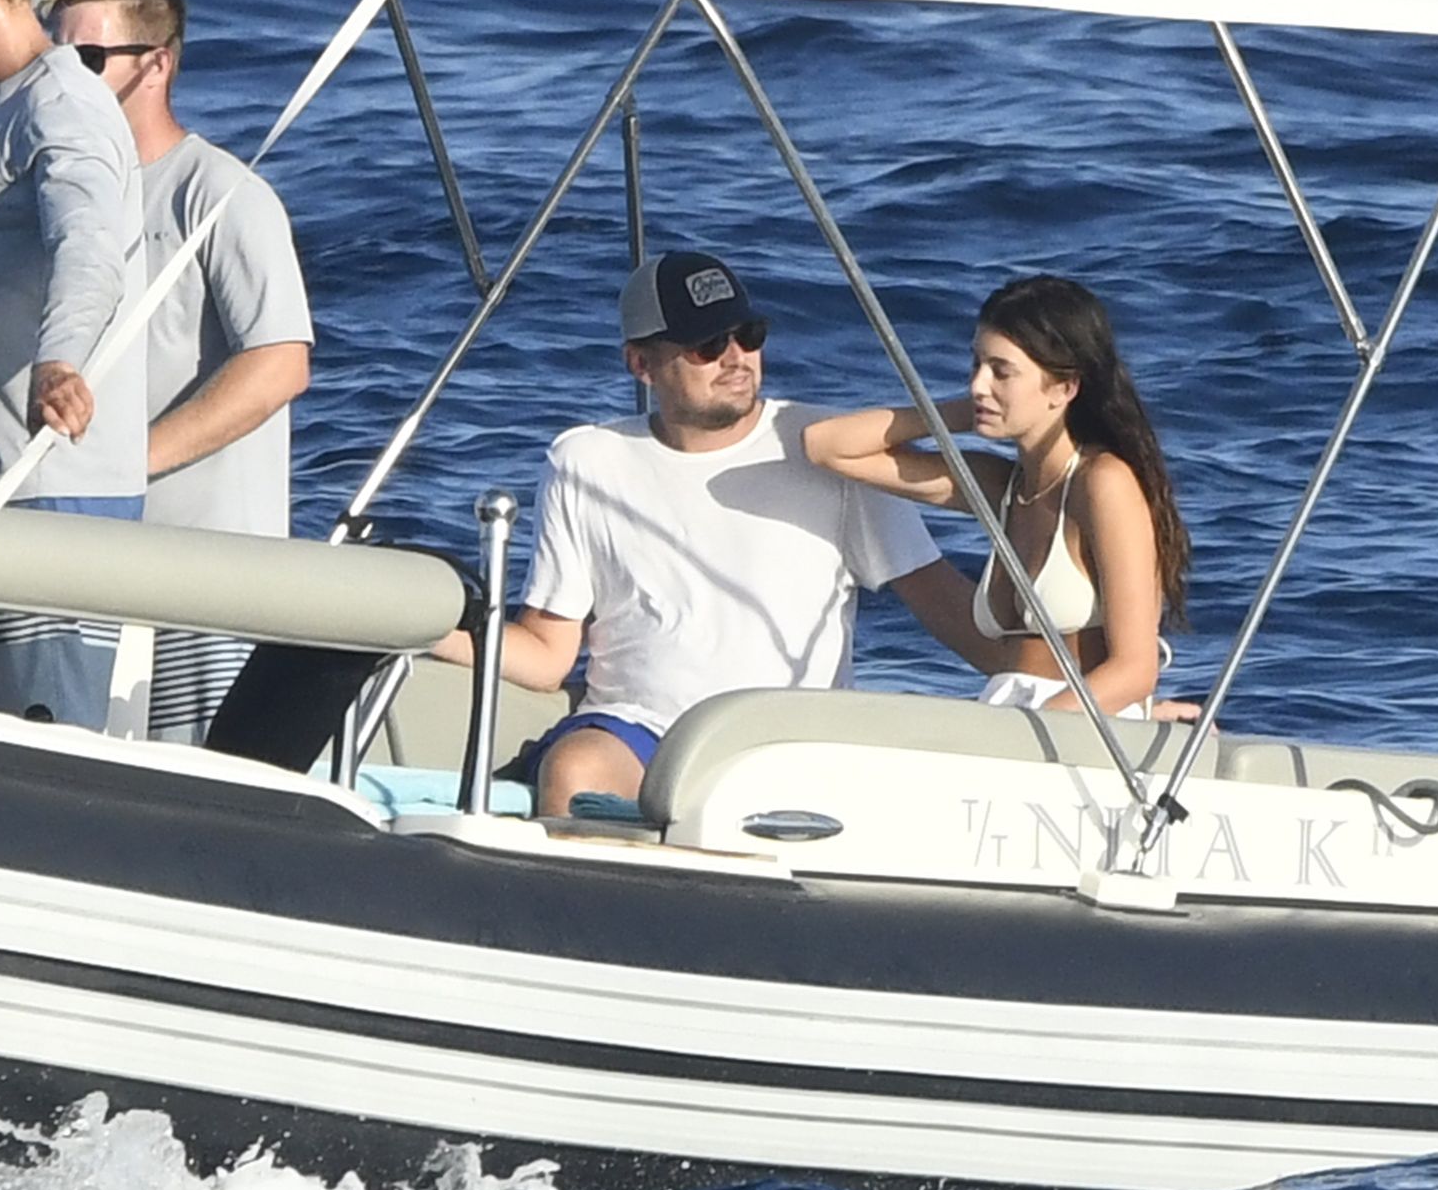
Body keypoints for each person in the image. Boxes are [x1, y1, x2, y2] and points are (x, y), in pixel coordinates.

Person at [435, 250, 990, 816]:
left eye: (748, 336)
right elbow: (549, 653)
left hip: (791, 742)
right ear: (641, 364)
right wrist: (423, 627)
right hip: (641, 733)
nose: (736, 357)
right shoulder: (585, 460)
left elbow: (946, 607)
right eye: (707, 345)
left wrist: (1043, 673)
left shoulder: (834, 452)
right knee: (574, 771)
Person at [45, 0, 313, 744]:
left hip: (206, 577)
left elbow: (280, 363)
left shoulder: (221, 194)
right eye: (54, 59)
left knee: (193, 782)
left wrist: (129, 459)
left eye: (88, 59)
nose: (63, 80)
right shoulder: (58, 199)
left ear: (156, 64)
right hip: (88, 566)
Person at [805, 275, 1190, 719]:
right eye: (977, 365)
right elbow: (827, 446)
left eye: (1001, 372)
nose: (978, 384)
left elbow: (1135, 671)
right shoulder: (1004, 486)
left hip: (1076, 725)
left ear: (1064, 388)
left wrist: (1029, 732)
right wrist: (965, 412)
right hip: (1008, 712)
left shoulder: (1102, 483)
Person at [0, 0, 148, 730]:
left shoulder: (62, 102)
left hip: (51, 488)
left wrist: (60, 361)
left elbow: (89, 245)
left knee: (48, 753)